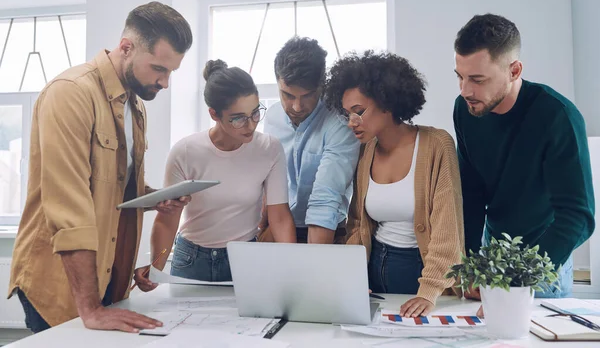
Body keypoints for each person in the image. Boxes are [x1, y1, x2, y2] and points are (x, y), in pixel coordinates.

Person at [8, 2, 194, 333]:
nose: (165, 83)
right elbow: (70, 209)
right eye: (159, 69)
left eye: (171, 72)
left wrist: (157, 197)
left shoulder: (135, 105)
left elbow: (115, 188)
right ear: (126, 48)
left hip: (109, 276)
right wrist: (91, 307)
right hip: (60, 283)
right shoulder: (71, 94)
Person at [453, 13, 595, 305]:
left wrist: (515, 282)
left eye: (477, 80)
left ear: (514, 70)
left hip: (543, 264)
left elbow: (578, 216)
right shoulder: (466, 110)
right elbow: (471, 193)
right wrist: (470, 265)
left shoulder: (557, 116)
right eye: (460, 76)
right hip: (490, 257)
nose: (465, 90)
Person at [323, 50, 464, 317]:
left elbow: (449, 228)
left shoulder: (437, 144)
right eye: (347, 114)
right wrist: (352, 279)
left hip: (420, 273)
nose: (351, 122)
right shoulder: (365, 152)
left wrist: (430, 290)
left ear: (387, 101)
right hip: (374, 269)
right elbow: (357, 225)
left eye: (359, 112)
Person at [144, 59, 296, 283]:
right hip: (191, 260)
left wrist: (294, 269)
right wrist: (156, 268)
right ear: (214, 114)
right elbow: (168, 220)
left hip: (245, 259)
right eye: (238, 119)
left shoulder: (269, 149)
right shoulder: (185, 152)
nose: (251, 125)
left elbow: (280, 217)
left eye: (255, 113)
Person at [261, 37, 360, 244]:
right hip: (276, 228)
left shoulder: (340, 123)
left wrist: (313, 264)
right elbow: (266, 181)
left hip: (326, 232)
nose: (296, 107)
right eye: (287, 95)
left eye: (307, 96)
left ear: (322, 85)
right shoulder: (272, 117)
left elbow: (325, 199)